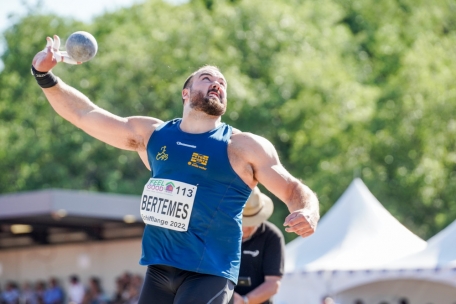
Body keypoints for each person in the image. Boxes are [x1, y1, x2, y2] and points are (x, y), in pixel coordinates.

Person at [31, 35, 320, 304]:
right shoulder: (153, 135)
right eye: (207, 79)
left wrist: (308, 211)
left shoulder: (242, 147)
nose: (217, 84)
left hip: (209, 273)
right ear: (186, 93)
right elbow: (85, 114)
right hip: (159, 270)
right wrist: (44, 76)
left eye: (222, 83)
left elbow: (294, 188)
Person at [231, 187, 285, 304]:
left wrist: (245, 301)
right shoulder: (222, 231)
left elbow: (273, 283)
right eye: (242, 222)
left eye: (251, 223)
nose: (245, 228)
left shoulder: (272, 236)